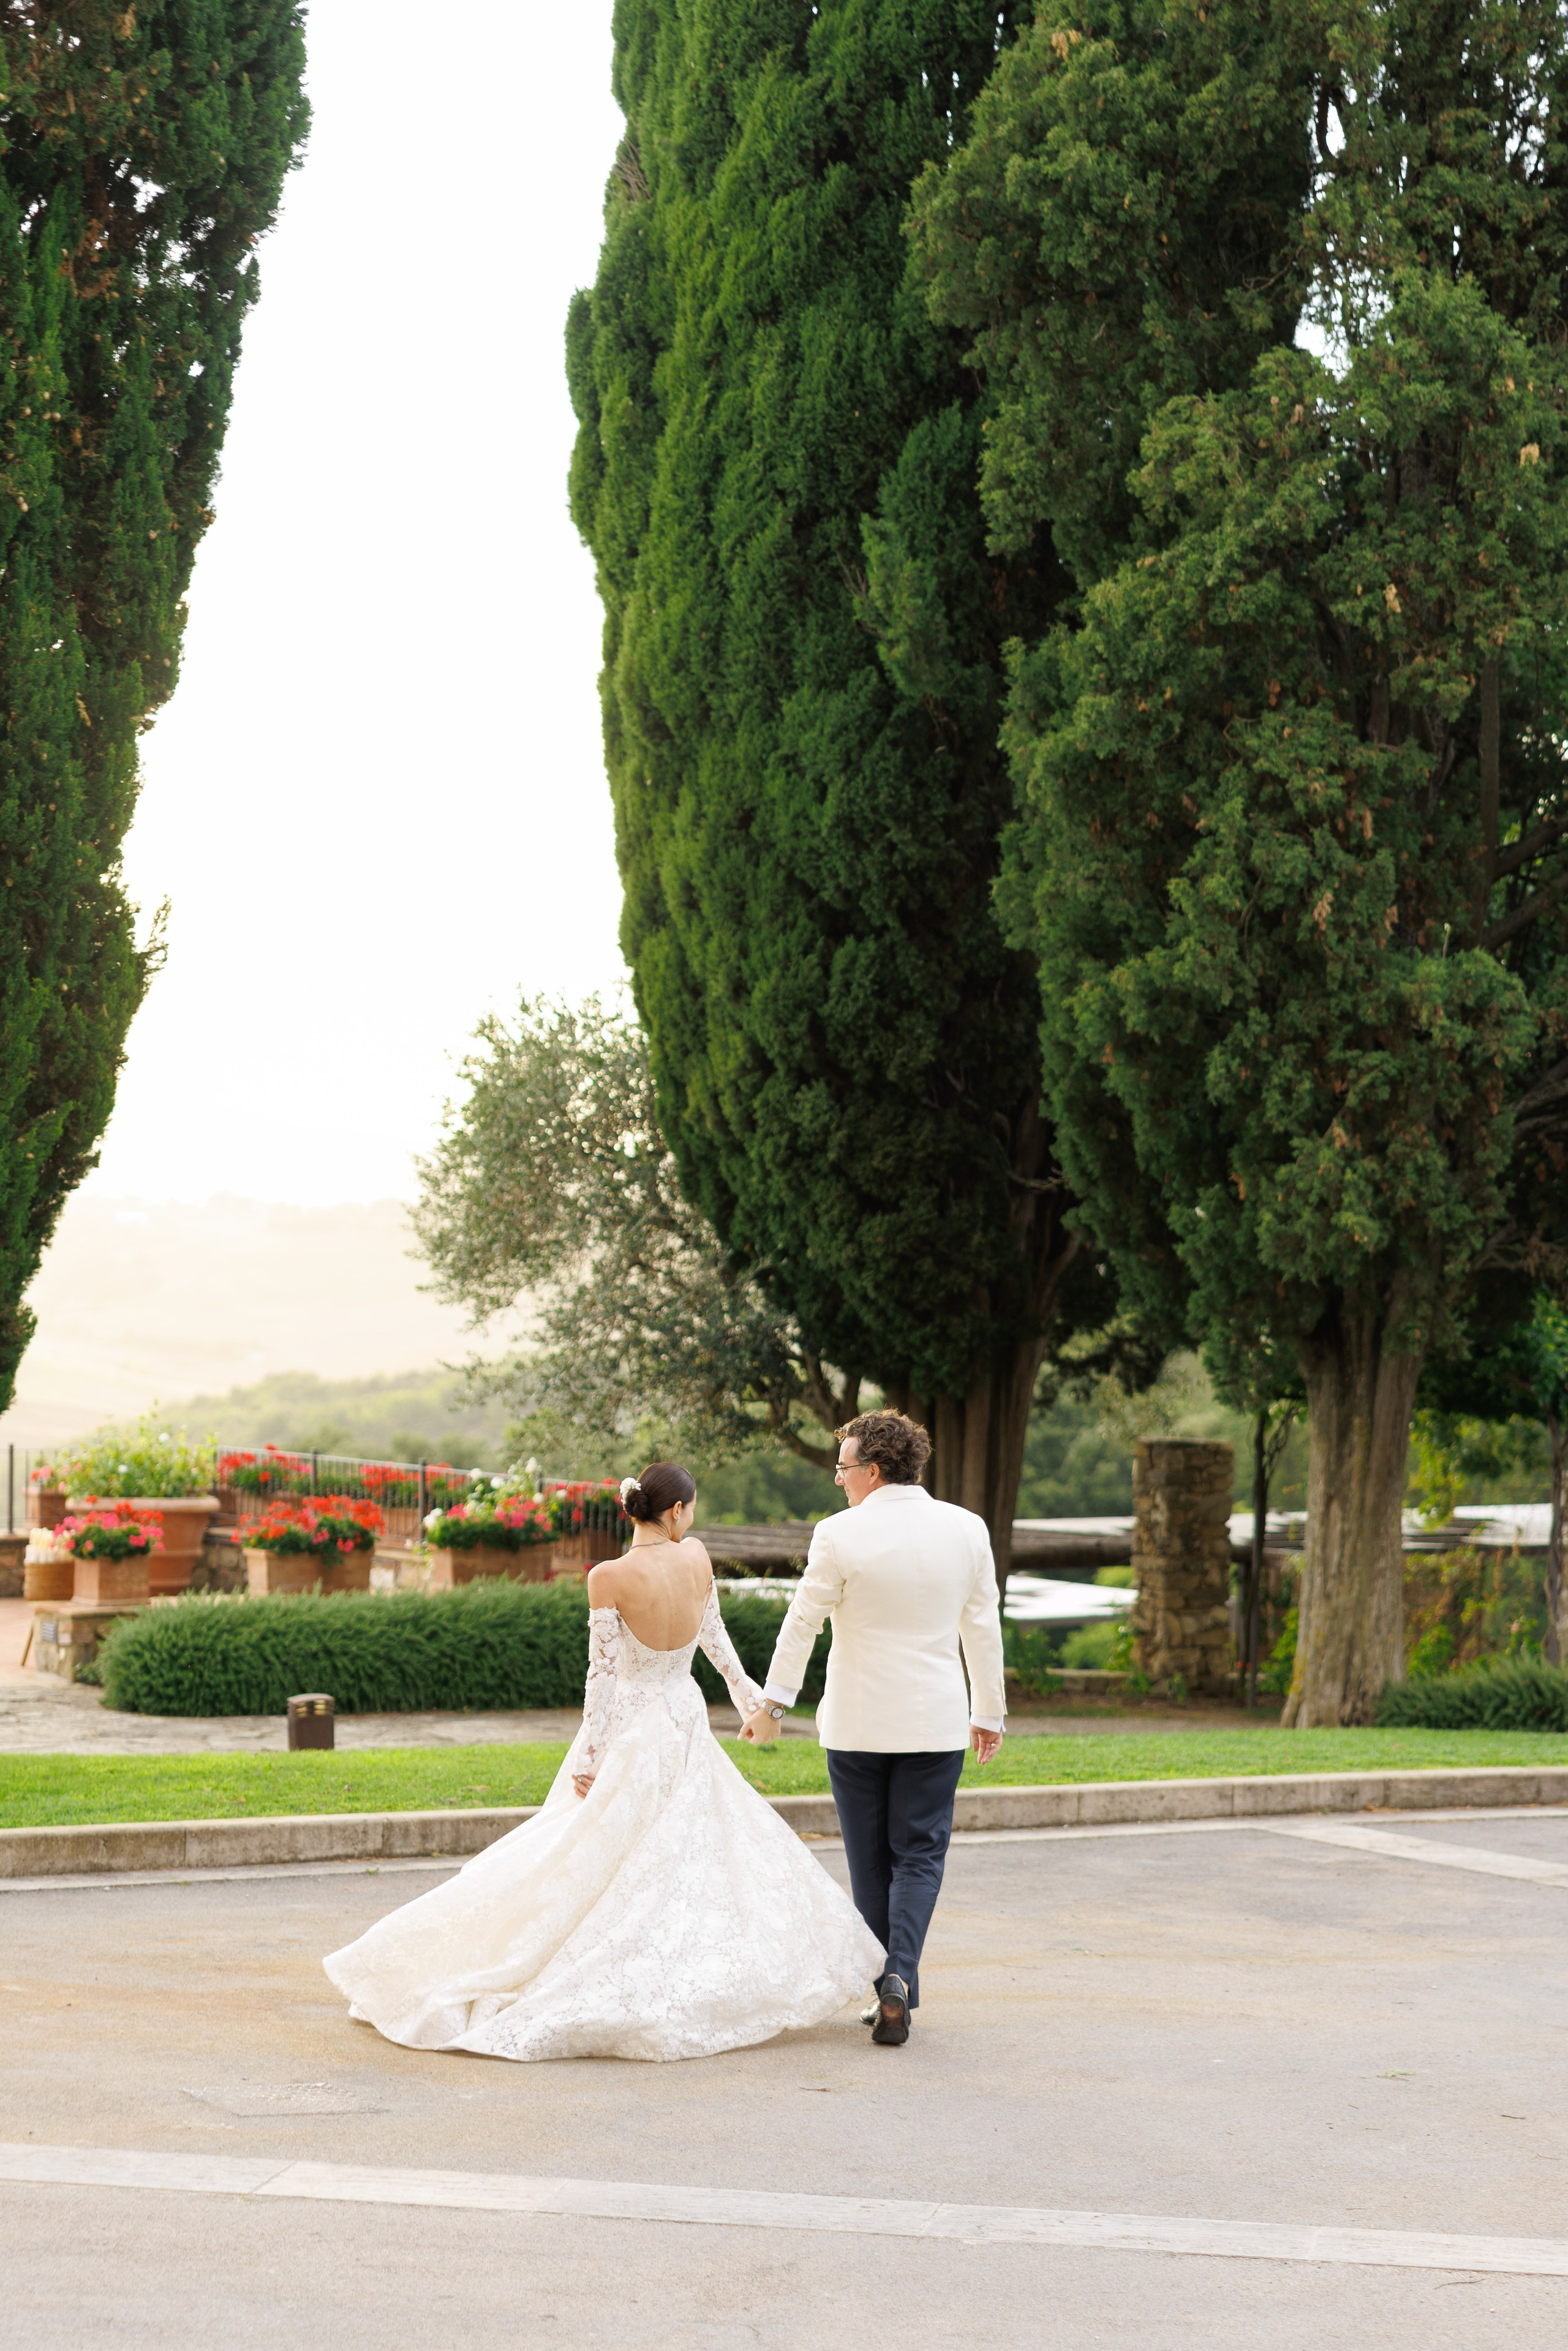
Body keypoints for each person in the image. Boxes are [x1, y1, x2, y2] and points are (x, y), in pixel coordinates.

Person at [322, 1462, 883, 2062]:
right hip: (683, 1719)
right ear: (674, 1512)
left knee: (591, 1850)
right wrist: (752, 1703)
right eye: (690, 1509)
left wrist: (590, 1757)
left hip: (633, 1727)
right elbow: (716, 1643)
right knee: (684, 1848)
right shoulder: (696, 1558)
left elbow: (603, 1678)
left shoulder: (606, 1577)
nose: (692, 1518)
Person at [742, 1409, 1005, 2047]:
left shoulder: (837, 1535)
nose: (838, 1480)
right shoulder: (967, 1529)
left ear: (875, 1470)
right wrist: (987, 1711)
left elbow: (801, 1622)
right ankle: (899, 1979)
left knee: (869, 1864)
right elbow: (983, 1626)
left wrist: (773, 1705)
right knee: (920, 1856)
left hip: (857, 1724)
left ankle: (887, 1983)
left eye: (844, 1468)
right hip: (937, 1722)